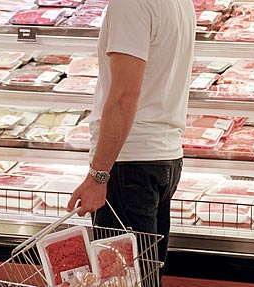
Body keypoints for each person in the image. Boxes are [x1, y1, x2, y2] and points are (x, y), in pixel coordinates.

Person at [67, 0, 196, 283]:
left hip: (129, 163)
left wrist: (98, 175)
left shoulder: (130, 4)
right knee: (144, 276)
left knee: (122, 279)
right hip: (163, 157)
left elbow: (125, 96)